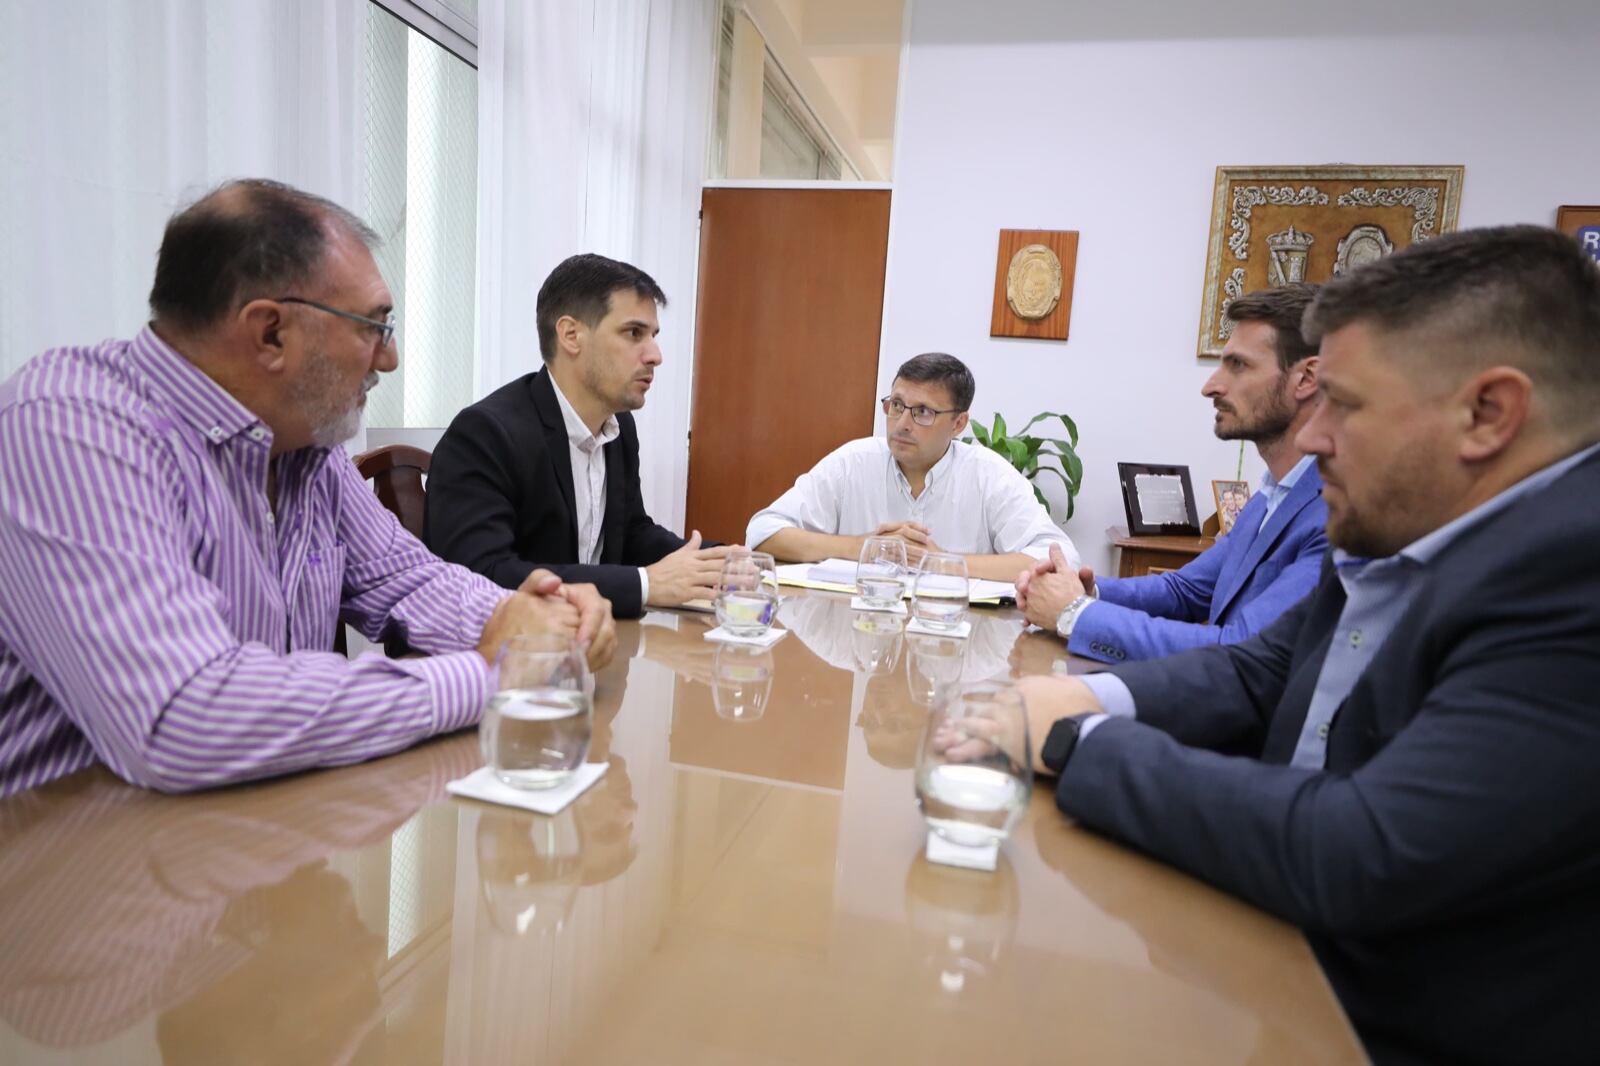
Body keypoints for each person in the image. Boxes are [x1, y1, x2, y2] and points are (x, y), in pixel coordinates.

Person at [1006, 225, 1600, 1064]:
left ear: (1488, 414)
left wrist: (1077, 741)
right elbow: (1263, 668)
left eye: (1347, 407)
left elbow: (1366, 852)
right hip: (1278, 946)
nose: (1314, 439)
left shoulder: (1574, 573)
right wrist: (1088, 695)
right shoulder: (1415, 521)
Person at [0, 179, 615, 798]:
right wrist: (491, 674)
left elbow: (406, 579)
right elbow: (185, 718)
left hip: (248, 824)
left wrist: (537, 622)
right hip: (68, 851)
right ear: (270, 333)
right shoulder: (69, 427)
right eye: (374, 326)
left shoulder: (303, 445)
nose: (390, 357)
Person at [1017, 285, 1327, 663]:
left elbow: (1243, 651)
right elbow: (1184, 591)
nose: (1211, 386)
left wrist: (1075, 613)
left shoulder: (1336, 515)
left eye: (1239, 365)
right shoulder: (1270, 496)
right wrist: (1085, 592)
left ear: (1307, 377)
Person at [426, 254, 731, 618]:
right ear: (571, 335)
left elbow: (630, 532)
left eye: (653, 335)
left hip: (585, 646)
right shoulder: (486, 434)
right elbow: (483, 574)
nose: (655, 355)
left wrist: (717, 562)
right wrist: (645, 584)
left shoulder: (618, 426)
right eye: (634, 333)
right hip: (500, 662)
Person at [747, 352, 1079, 581]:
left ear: (958, 424)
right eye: (896, 406)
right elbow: (763, 533)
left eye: (923, 412)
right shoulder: (853, 462)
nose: (902, 423)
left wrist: (941, 563)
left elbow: (1060, 559)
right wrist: (860, 547)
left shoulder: (989, 475)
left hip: (953, 642)